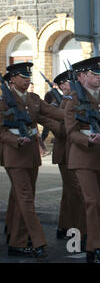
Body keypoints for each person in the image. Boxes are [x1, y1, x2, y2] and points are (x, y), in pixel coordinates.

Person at [0, 62, 64, 261]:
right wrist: (16, 140)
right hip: (14, 155)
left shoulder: (34, 99)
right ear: (12, 79)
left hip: (32, 156)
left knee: (21, 198)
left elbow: (53, 115)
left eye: (28, 76)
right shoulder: (3, 102)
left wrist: (74, 116)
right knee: (26, 198)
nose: (27, 79)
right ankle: (38, 242)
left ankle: (16, 240)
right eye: (23, 76)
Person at [64, 56, 100, 263]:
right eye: (94, 74)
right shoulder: (73, 99)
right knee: (93, 202)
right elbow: (71, 131)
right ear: (82, 76)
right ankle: (99, 249)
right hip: (83, 157)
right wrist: (88, 139)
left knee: (98, 203)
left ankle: (90, 249)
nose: (99, 76)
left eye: (99, 73)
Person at [51, 71, 87, 243]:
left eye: (69, 82)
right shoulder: (64, 103)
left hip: (71, 151)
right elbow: (60, 130)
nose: (69, 85)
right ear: (60, 86)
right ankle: (76, 230)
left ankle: (64, 226)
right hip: (65, 153)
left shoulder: (71, 100)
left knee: (69, 193)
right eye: (65, 83)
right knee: (75, 193)